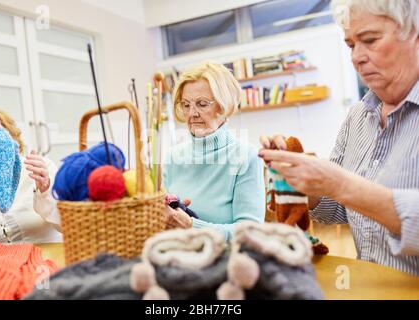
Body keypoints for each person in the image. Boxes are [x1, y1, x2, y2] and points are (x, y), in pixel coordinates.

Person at [258, 0, 419, 275]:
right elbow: (339, 209)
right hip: (368, 286)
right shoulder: (358, 116)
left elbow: (346, 191)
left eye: (370, 40)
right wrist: (302, 181)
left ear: (414, 35)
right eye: (351, 45)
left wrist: (341, 184)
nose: (357, 57)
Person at [162, 62, 265, 241]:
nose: (192, 113)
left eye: (202, 104)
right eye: (186, 105)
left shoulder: (246, 156)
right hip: (178, 258)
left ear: (224, 106)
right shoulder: (172, 157)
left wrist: (192, 226)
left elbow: (250, 232)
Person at [0, 97, 61, 251]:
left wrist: (45, 191)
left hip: (47, 263)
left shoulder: (42, 169)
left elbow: (70, 225)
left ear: (10, 137)